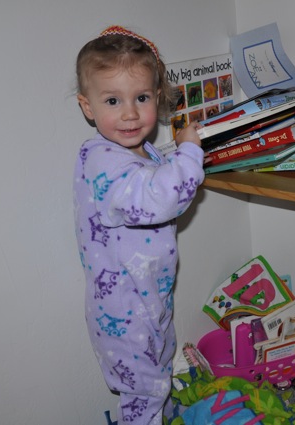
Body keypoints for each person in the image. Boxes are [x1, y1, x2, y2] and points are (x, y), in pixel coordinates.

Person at [73, 25, 206, 425]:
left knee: (159, 375)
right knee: (145, 392)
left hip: (148, 299)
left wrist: (172, 158)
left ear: (156, 98)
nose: (130, 113)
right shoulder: (104, 160)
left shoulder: (132, 150)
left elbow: (151, 186)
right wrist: (189, 152)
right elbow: (161, 199)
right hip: (124, 309)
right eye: (113, 100)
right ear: (87, 107)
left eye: (142, 98)